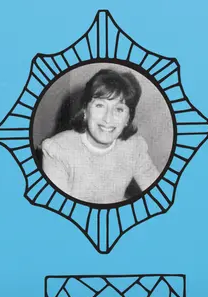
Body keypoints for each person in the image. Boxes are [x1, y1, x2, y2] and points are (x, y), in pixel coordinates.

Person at [40, 68, 161, 205]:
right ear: (85, 110)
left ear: (128, 118)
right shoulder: (57, 150)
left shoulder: (134, 147)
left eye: (119, 109)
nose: (108, 118)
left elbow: (160, 195)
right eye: (100, 106)